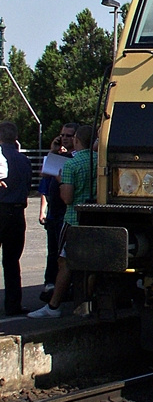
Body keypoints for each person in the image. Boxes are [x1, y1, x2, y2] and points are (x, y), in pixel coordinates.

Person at [29, 124, 96, 319]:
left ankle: (53, 306)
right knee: (91, 263)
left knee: (64, 261)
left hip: (73, 219)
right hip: (95, 218)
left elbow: (67, 198)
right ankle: (86, 303)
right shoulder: (99, 162)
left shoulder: (70, 165)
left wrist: (61, 182)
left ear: (76, 140)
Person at [37, 124, 77, 302]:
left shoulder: (74, 159)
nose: (65, 138)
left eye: (69, 135)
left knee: (63, 255)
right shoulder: (60, 157)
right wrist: (53, 151)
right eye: (62, 135)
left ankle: (64, 288)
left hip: (65, 214)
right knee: (53, 252)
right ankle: (50, 284)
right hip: (54, 214)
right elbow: (45, 174)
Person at [0, 121, 33, 316]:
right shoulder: (24, 160)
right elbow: (28, 185)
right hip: (17, 210)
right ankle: (13, 304)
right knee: (12, 261)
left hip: (1, 206)